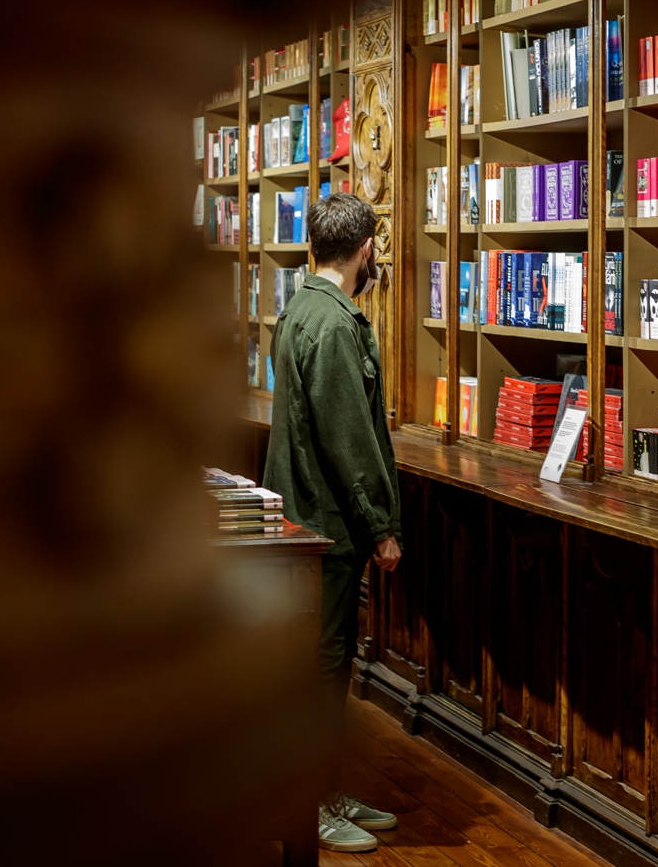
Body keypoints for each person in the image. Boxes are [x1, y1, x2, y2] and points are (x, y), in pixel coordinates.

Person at [263, 192, 402, 854]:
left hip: (301, 516)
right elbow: (350, 439)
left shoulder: (300, 310)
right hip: (328, 524)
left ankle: (322, 790)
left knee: (323, 665)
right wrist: (382, 526)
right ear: (366, 249)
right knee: (323, 670)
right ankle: (311, 802)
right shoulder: (337, 325)